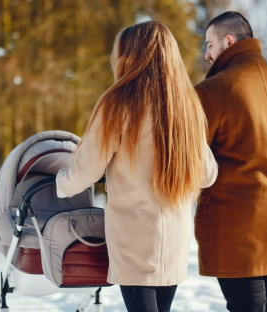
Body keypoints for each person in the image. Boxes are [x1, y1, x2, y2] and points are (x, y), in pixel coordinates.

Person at [56, 21, 218, 312]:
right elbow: (207, 174)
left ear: (129, 56)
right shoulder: (187, 106)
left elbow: (84, 173)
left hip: (135, 240)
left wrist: (59, 181)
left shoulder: (118, 104)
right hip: (174, 242)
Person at [194, 11, 267, 312]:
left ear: (228, 41)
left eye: (209, 44)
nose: (207, 54)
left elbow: (193, 160)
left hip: (234, 225)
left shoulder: (212, 91)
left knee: (246, 307)